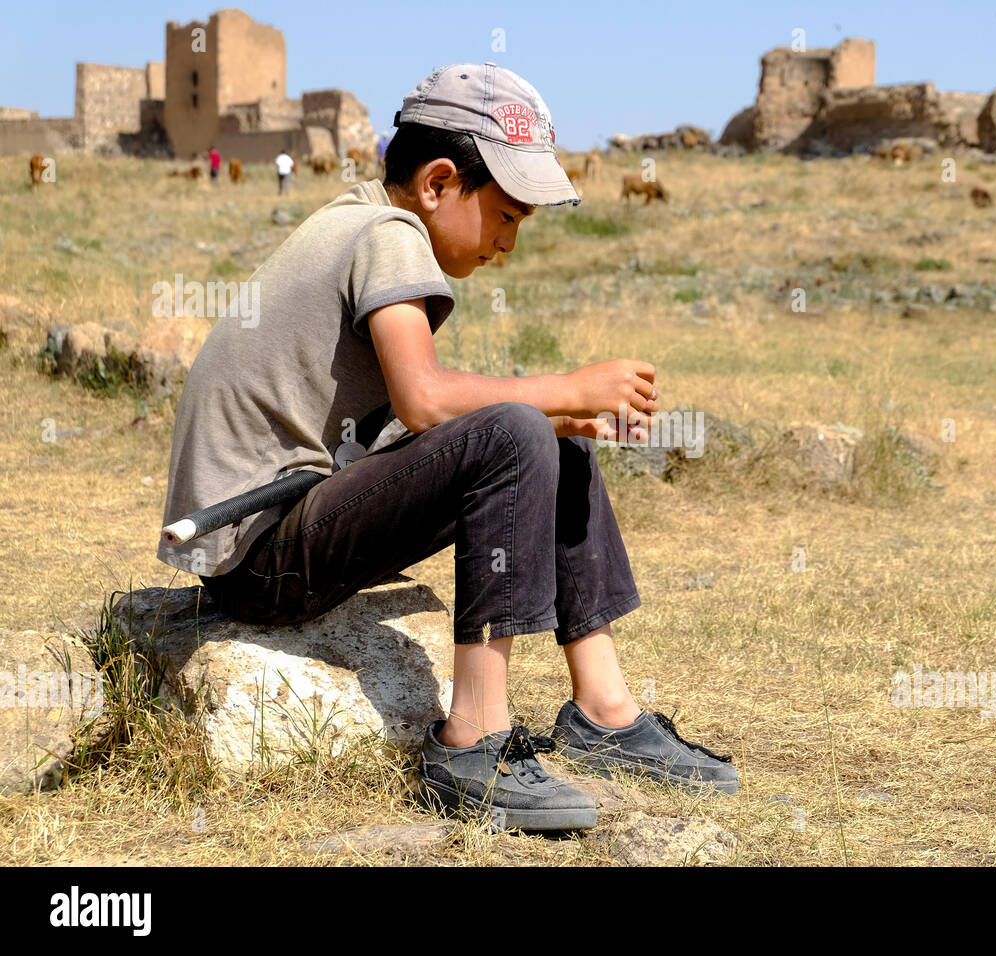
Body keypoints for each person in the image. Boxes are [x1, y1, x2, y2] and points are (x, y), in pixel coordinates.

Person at [156, 62, 737, 832]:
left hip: (285, 526)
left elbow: (391, 425)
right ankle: (473, 741)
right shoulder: (389, 234)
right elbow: (424, 399)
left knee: (545, 438)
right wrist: (566, 388)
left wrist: (557, 423)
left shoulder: (360, 221)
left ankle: (604, 711)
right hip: (259, 552)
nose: (510, 242)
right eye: (506, 216)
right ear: (436, 183)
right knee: (520, 425)